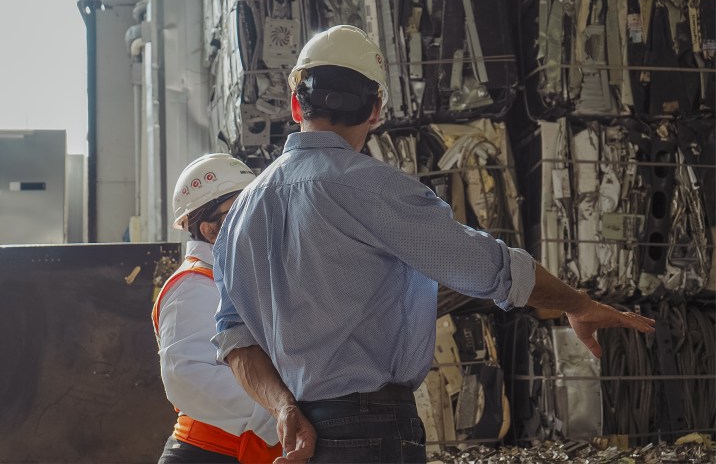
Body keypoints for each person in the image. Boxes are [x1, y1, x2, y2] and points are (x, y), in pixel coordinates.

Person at [211, 25, 655, 463]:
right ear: (376, 111)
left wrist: (284, 408)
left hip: (300, 434)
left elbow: (235, 339)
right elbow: (488, 267)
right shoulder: (372, 189)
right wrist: (578, 304)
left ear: (295, 104)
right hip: (373, 431)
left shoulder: (240, 215)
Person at [152, 153, 282, 464]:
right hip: (209, 454)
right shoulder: (193, 286)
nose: (257, 218)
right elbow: (187, 377)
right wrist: (278, 412)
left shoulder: (240, 274)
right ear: (210, 229)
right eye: (243, 209)